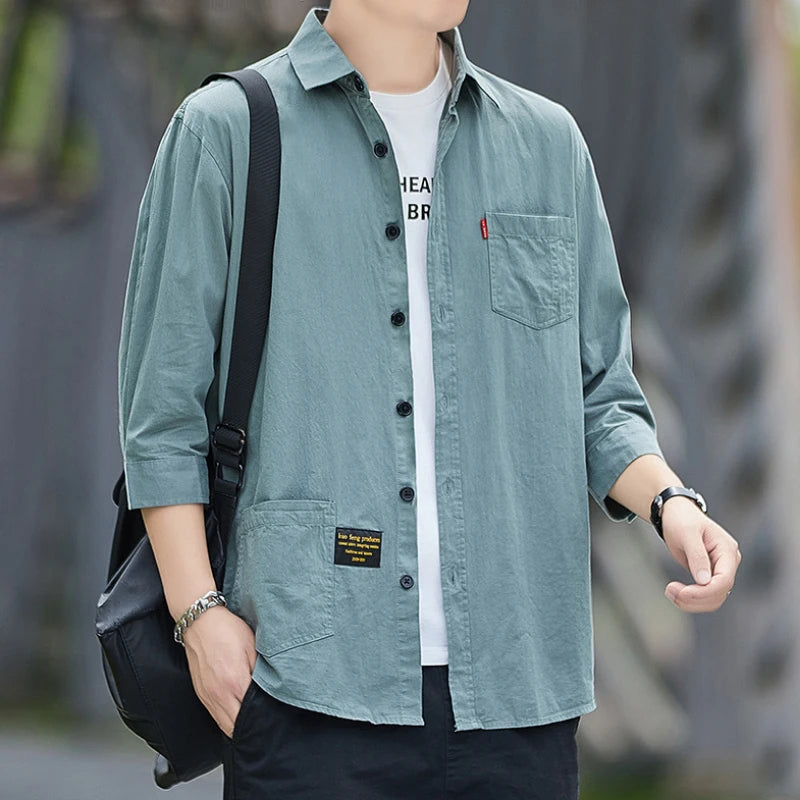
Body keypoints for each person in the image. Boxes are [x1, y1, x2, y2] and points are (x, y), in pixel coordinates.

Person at [117, 2, 742, 797]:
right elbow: (162, 417)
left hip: (517, 692)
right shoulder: (226, 133)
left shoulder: (547, 144)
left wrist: (671, 504)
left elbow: (599, 394)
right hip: (308, 678)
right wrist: (198, 614)